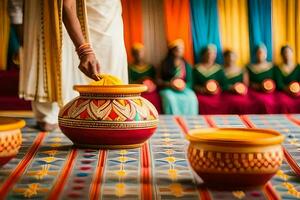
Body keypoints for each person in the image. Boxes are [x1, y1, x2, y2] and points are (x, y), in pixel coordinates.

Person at [19, 0, 127, 131]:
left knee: (110, 58)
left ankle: (109, 112)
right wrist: (84, 51)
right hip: (72, 12)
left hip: (107, 13)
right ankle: (57, 114)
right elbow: (67, 5)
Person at [159, 39, 198, 115]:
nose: (180, 51)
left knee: (192, 97)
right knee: (170, 98)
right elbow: (158, 80)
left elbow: (190, 81)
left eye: (182, 49)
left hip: (184, 89)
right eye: (178, 49)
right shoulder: (164, 64)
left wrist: (183, 86)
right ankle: (173, 119)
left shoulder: (186, 65)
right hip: (168, 89)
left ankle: (189, 119)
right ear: (172, 50)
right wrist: (169, 84)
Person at [193, 44, 228, 114]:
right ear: (203, 54)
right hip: (202, 94)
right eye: (208, 53)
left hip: (216, 95)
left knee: (224, 102)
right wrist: (201, 89)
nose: (210, 56)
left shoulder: (219, 69)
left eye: (213, 53)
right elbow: (193, 84)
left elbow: (224, 85)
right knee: (201, 102)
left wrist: (217, 89)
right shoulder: (196, 68)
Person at [128, 43, 161, 113]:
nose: (139, 55)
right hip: (137, 91)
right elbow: (128, 82)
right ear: (133, 54)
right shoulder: (129, 68)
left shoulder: (150, 67)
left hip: (150, 91)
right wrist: (140, 82)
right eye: (136, 53)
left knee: (155, 97)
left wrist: (150, 83)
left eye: (140, 52)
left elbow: (156, 81)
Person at [246, 44, 278, 114]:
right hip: (255, 91)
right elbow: (248, 83)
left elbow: (276, 81)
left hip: (270, 92)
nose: (260, 54)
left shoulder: (272, 66)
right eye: (259, 52)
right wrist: (258, 87)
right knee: (260, 102)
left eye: (262, 52)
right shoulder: (250, 67)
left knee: (269, 102)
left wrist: (269, 87)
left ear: (266, 54)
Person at [222, 50, 254, 114]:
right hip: (226, 93)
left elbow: (246, 85)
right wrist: (230, 88)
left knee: (245, 103)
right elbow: (220, 85)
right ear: (225, 58)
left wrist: (240, 89)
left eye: (232, 57)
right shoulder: (221, 70)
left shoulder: (242, 70)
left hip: (240, 93)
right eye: (228, 58)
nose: (230, 59)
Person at [274, 45, 300, 113]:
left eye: (289, 52)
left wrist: (295, 90)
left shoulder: (298, 67)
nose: (287, 54)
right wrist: (289, 90)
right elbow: (279, 84)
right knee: (283, 103)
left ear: (292, 53)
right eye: (285, 52)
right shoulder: (277, 68)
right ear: (282, 55)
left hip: (297, 92)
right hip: (283, 92)